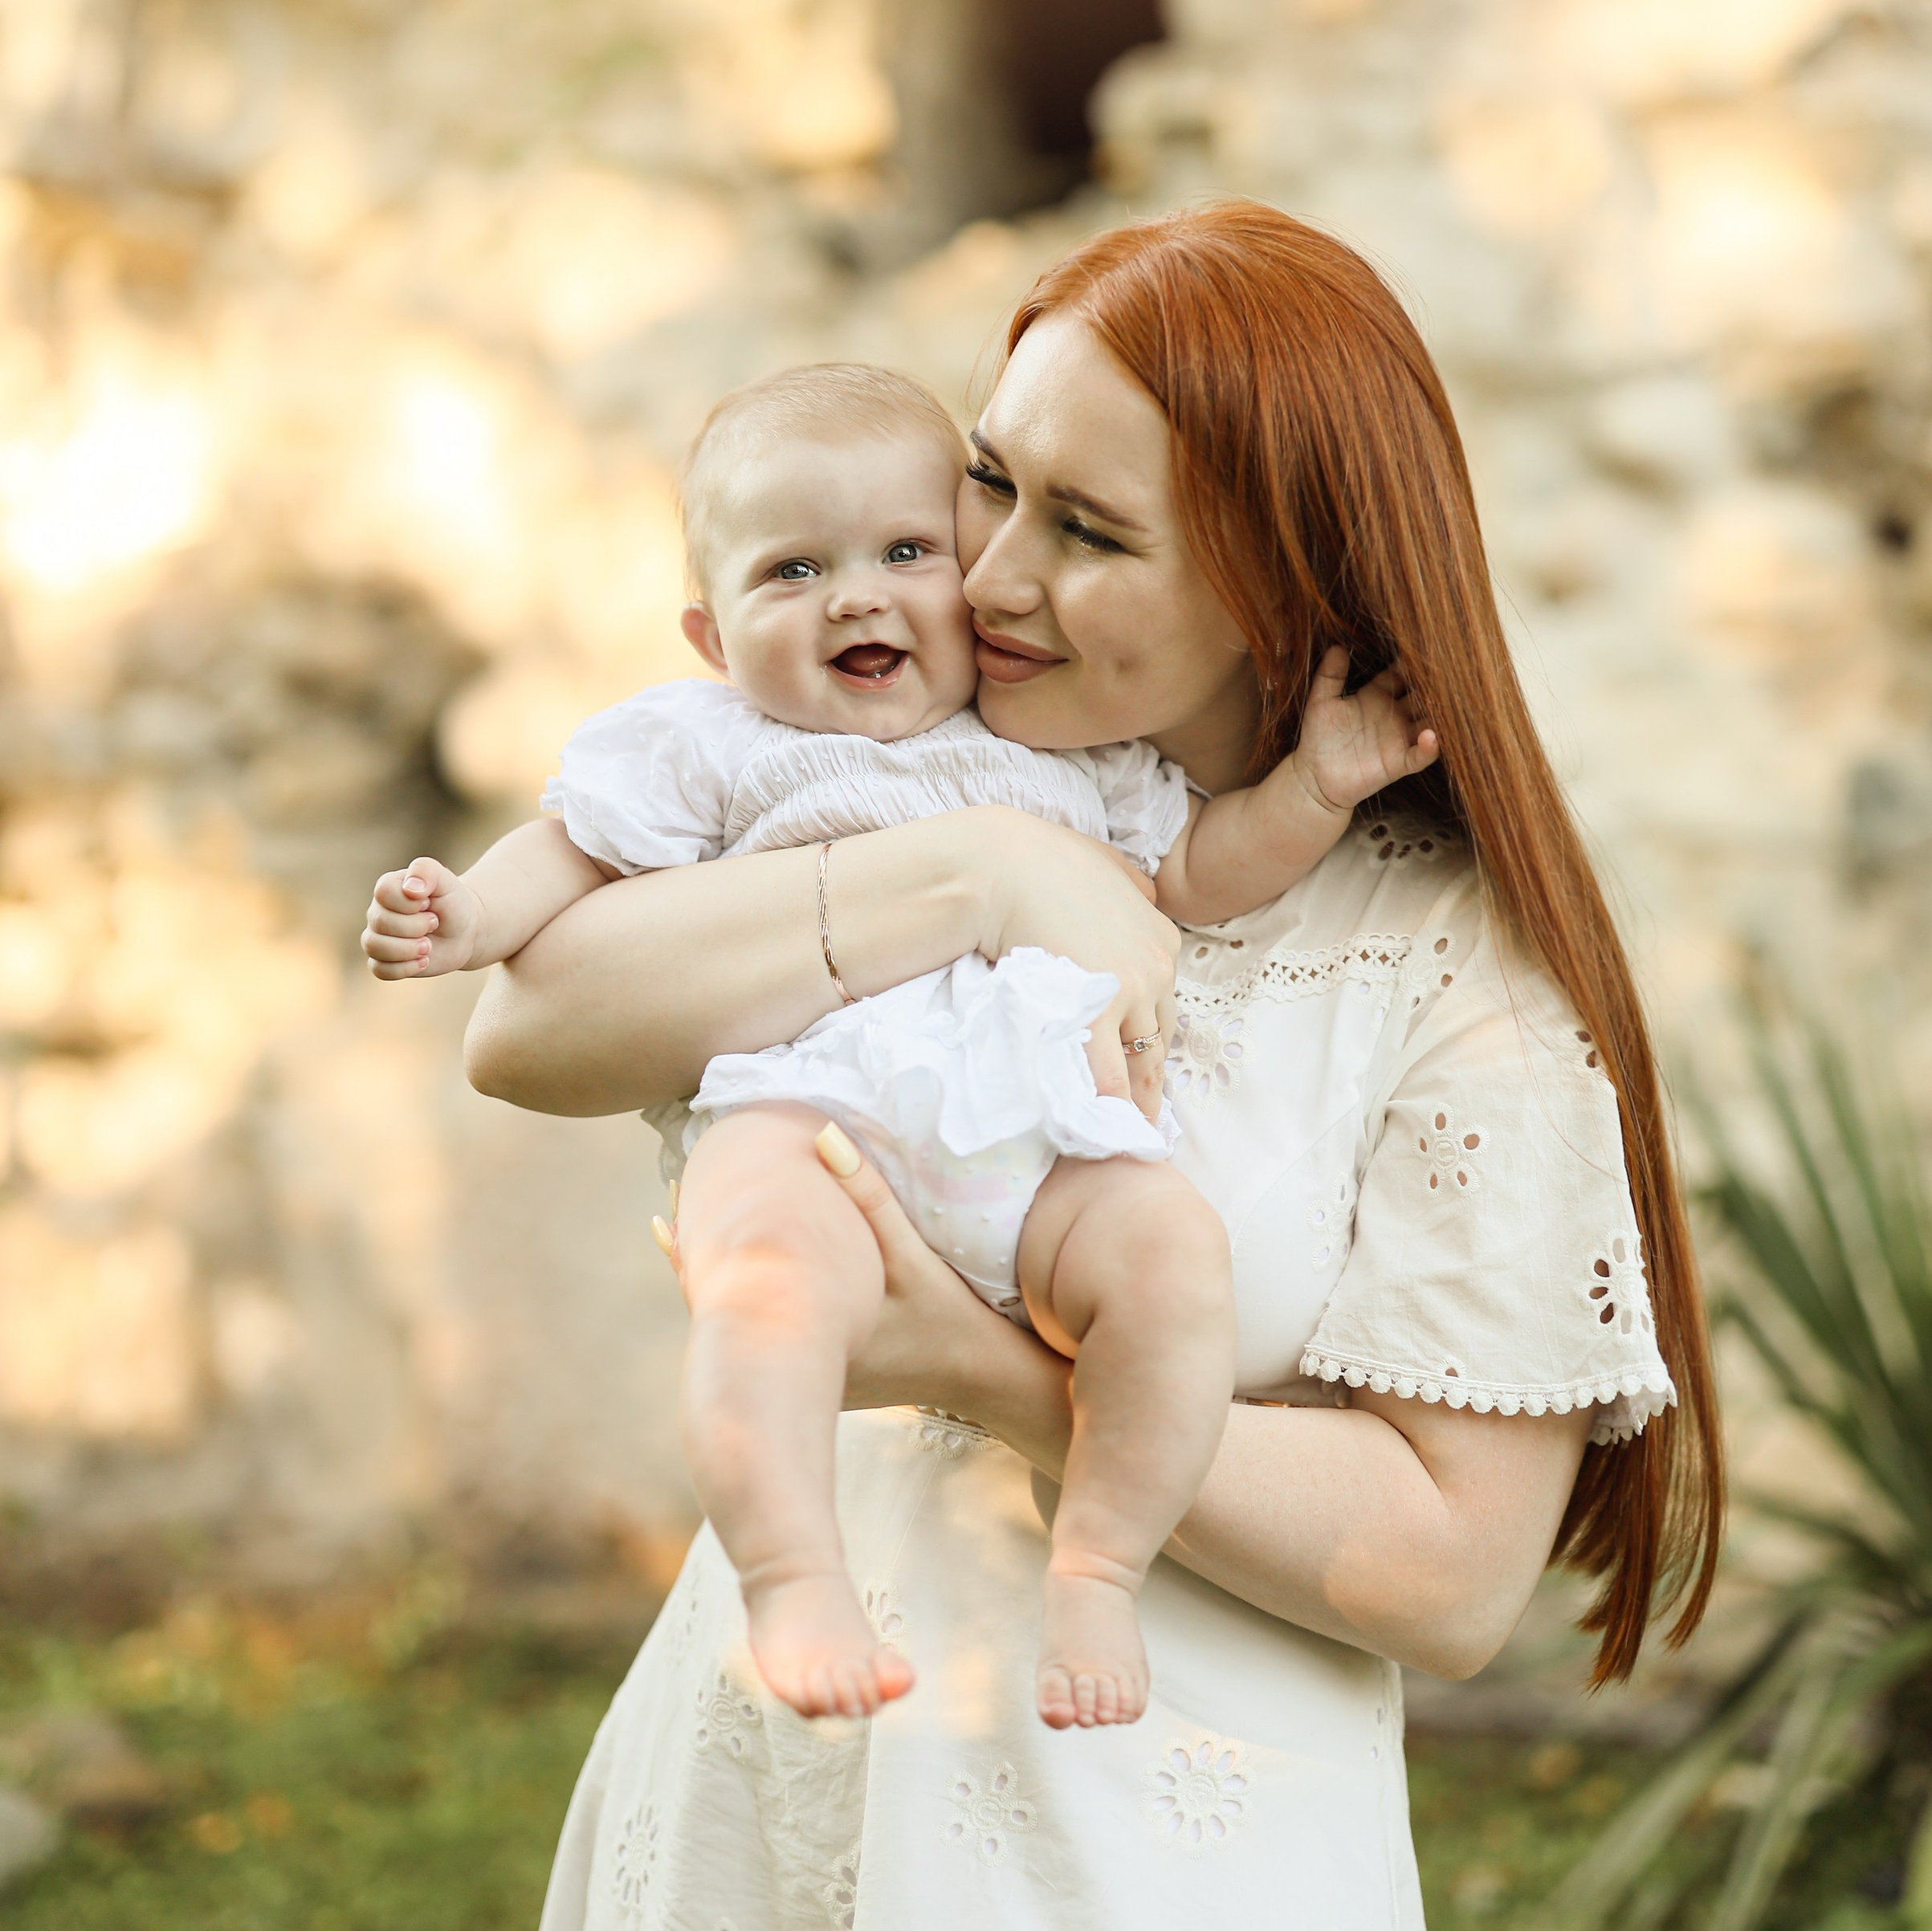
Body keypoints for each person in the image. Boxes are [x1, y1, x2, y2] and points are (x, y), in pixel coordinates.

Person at [459, 202, 1722, 1931]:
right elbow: (534, 1028)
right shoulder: (907, 779)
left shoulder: (1447, 983)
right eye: (991, 488)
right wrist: (973, 870)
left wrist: (976, 1361)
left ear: (1281, 587)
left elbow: (1445, 1571)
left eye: (1088, 531)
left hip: (1155, 1878)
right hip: (793, 1803)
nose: (993, 576)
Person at [361, 363, 1434, 1730]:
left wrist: (1314, 790)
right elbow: (567, 853)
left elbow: (1197, 875)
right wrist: (465, 915)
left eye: (907, 552)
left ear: (972, 576)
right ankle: (792, 1570)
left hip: (1035, 1145)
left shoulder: (1063, 752)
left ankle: (1100, 1562)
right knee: (760, 1284)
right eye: (793, 570)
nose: (856, 596)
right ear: (709, 634)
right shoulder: (711, 745)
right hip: (804, 1116)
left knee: (1170, 1261)